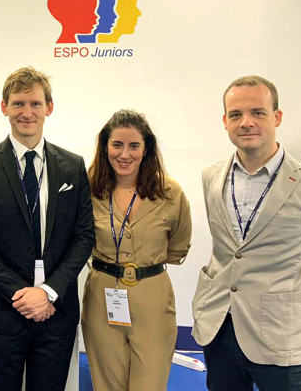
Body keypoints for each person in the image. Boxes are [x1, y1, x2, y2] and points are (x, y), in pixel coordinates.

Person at [192, 75, 301, 391]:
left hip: (282, 334)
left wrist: (285, 288)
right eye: (236, 114)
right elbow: (228, 250)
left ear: (277, 117)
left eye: (257, 112)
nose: (246, 123)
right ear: (225, 121)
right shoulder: (211, 176)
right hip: (220, 327)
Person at [0, 66, 94, 391]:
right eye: (18, 103)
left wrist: (47, 292)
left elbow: (83, 236)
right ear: (4, 107)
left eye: (35, 103)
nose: (27, 112)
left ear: (49, 107)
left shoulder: (72, 166)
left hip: (55, 311)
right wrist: (22, 294)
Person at [82, 109, 192, 390]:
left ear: (146, 149)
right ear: (105, 147)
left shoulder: (171, 193)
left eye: (134, 146)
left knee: (150, 382)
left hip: (153, 295)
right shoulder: (88, 189)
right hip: (102, 296)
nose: (124, 154)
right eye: (117, 145)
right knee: (107, 382)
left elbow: (177, 247)